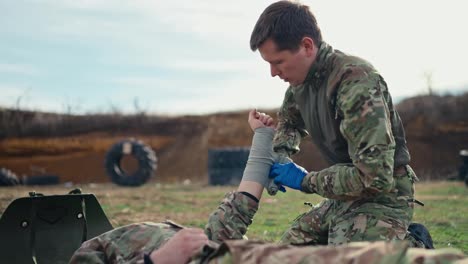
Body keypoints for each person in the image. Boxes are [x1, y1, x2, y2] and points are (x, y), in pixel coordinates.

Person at [69, 110, 465, 264]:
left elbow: (239, 209)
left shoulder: (119, 238)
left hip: (234, 250)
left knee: (312, 248)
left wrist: (262, 141)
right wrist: (159, 261)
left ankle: (410, 247)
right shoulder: (89, 254)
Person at [249, 0, 423, 246]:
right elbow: (289, 122)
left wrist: (305, 180)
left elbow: (375, 178)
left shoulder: (356, 82)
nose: (273, 72)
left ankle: (412, 246)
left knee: (345, 258)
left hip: (384, 196)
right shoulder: (300, 86)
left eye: (278, 62)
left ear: (307, 46)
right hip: (343, 195)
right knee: (286, 252)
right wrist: (280, 154)